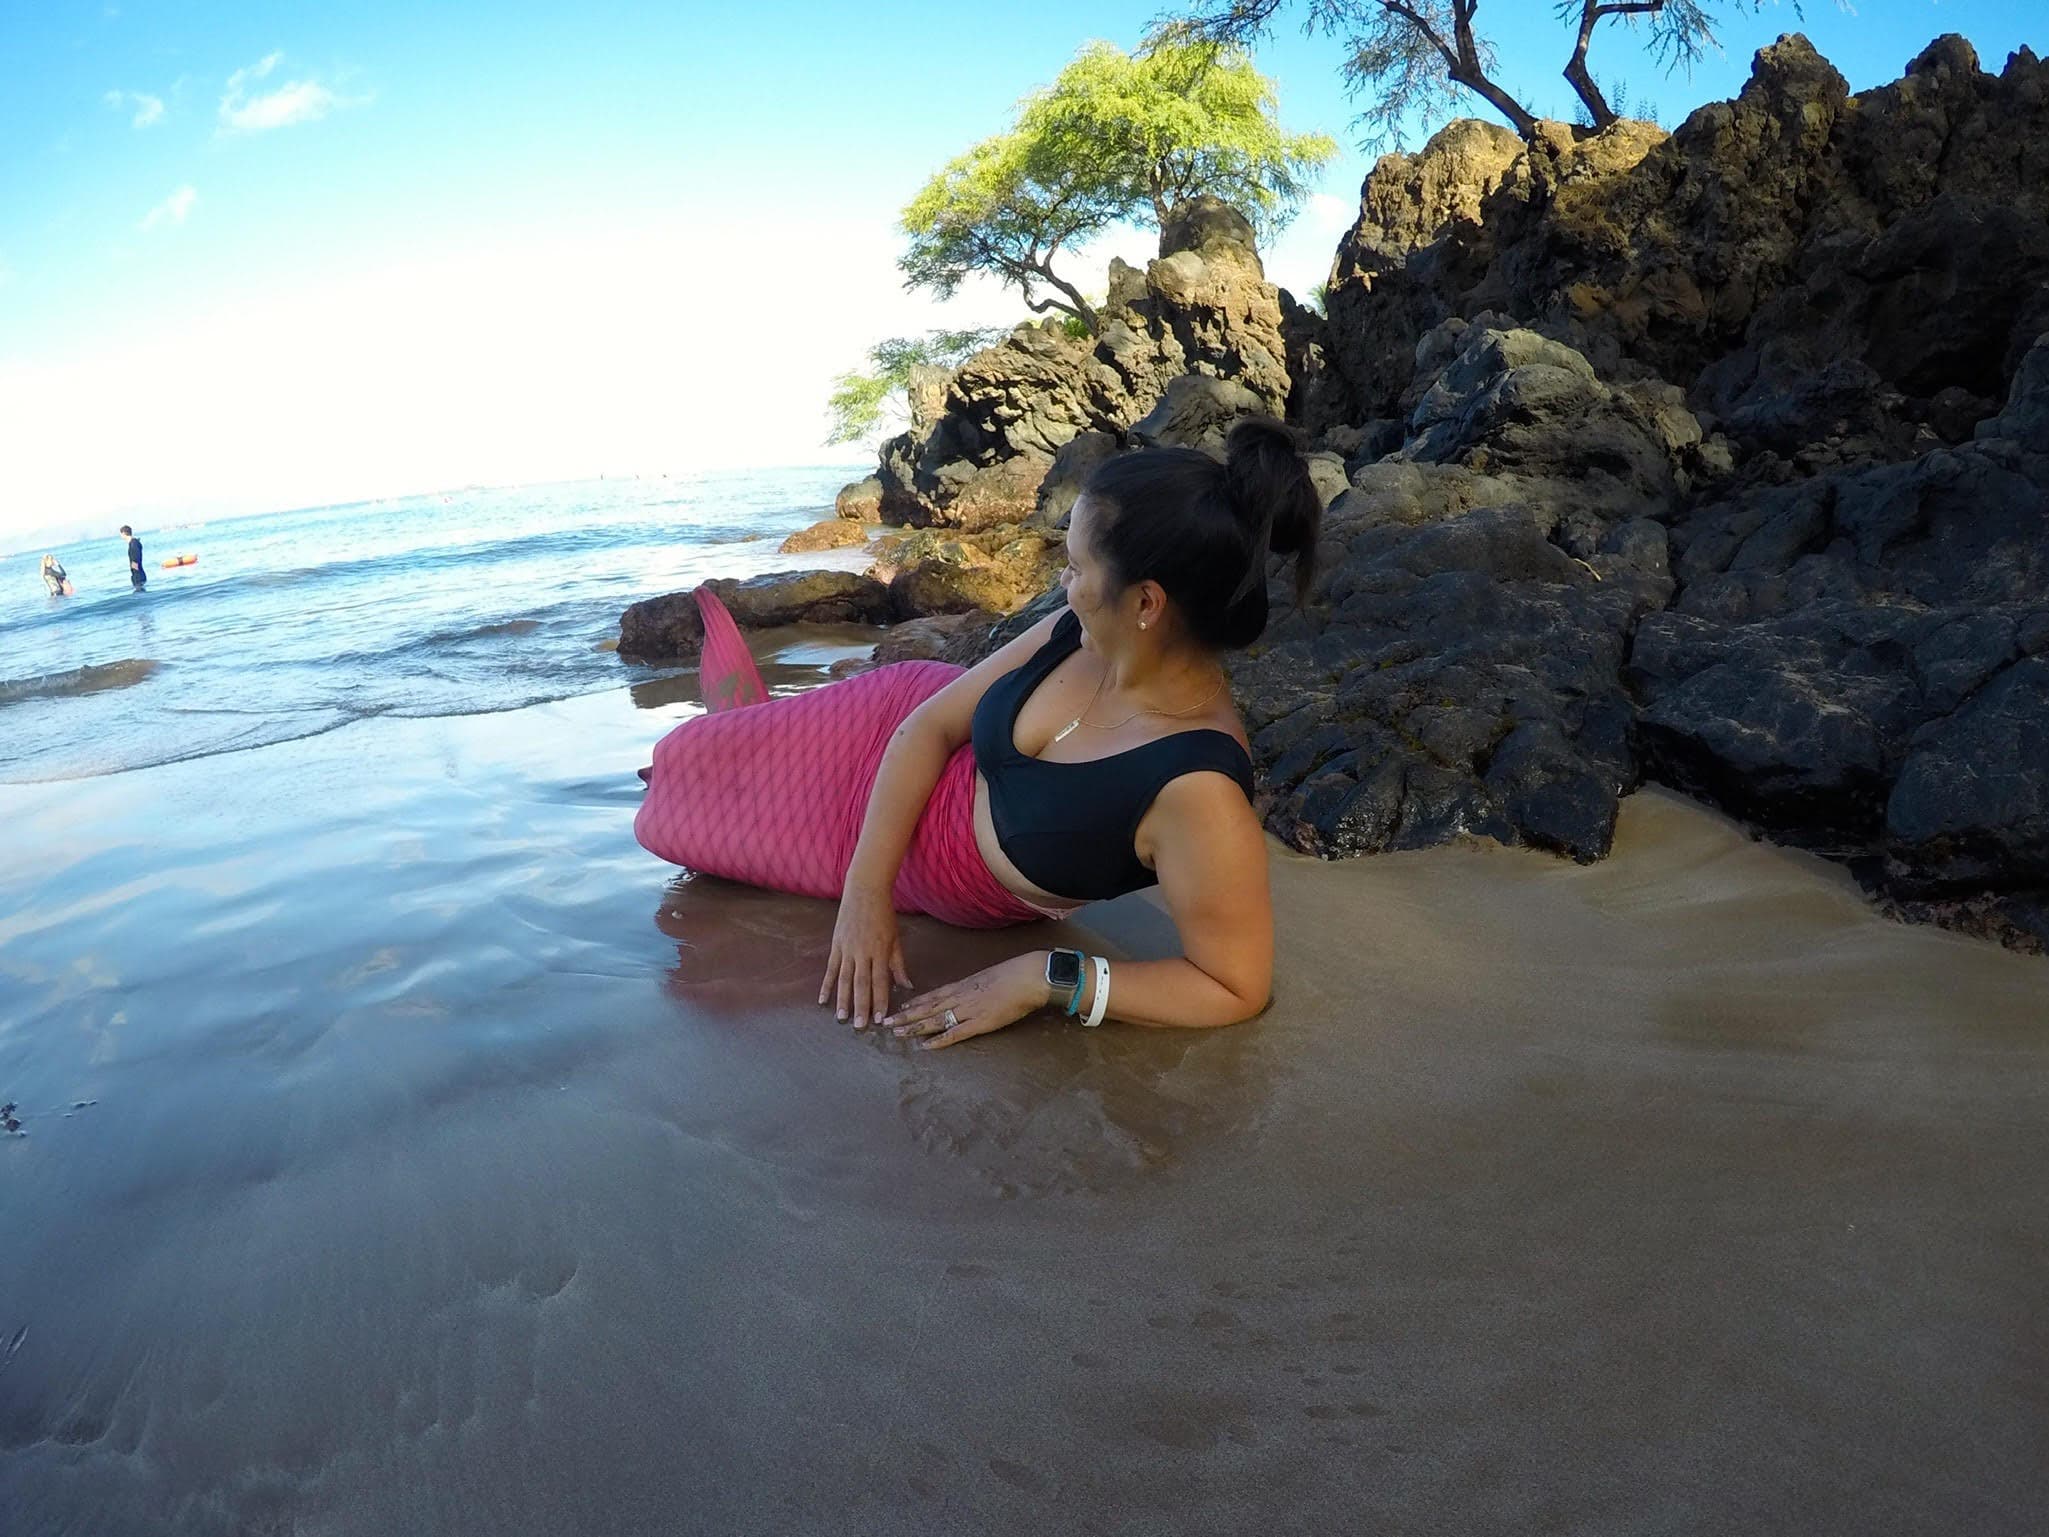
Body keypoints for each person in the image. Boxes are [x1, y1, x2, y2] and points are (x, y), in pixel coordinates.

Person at [635, 417, 1321, 1049]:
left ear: (1146, 602)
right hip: (888, 730)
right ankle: (735, 735)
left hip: (926, 868)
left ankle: (736, 742)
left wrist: (1045, 977)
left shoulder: (1196, 789)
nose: (1062, 579)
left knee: (676, 830)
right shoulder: (1079, 633)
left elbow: (1233, 984)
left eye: (1077, 567)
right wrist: (862, 895)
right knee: (678, 758)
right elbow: (928, 724)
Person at [119, 525, 145, 591]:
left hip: (138, 576)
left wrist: (136, 576)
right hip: (138, 574)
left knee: (139, 594)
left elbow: (135, 559)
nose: (120, 536)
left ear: (124, 533)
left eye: (121, 534)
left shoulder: (133, 543)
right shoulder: (133, 543)